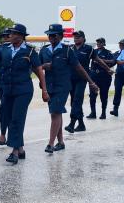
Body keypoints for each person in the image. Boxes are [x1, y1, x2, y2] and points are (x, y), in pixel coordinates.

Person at [0, 24, 48, 163]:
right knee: (9, 117)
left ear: (21, 36)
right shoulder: (4, 49)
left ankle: (14, 152)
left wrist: (44, 89)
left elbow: (39, 70)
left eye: (13, 33)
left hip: (23, 90)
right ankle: (21, 149)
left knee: (17, 118)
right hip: (8, 88)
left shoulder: (30, 52)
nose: (10, 35)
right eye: (10, 33)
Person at [41, 24, 97, 152]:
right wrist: (44, 68)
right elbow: (38, 67)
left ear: (60, 36)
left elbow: (79, 67)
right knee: (56, 113)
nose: (51, 37)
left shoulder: (67, 50)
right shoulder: (44, 50)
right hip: (49, 86)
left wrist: (91, 82)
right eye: (49, 35)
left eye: (54, 35)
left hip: (63, 86)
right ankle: (60, 142)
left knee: (55, 112)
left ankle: (50, 144)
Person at [66, 30, 108, 132]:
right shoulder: (70, 48)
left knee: (77, 99)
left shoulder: (89, 49)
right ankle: (81, 124)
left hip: (82, 78)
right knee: (74, 102)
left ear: (83, 38)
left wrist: (107, 69)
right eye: (74, 36)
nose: (76, 38)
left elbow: (98, 60)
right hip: (71, 78)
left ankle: (72, 123)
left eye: (78, 36)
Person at [88, 37, 115, 119]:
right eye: (98, 42)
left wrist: (101, 60)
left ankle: (103, 113)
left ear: (104, 43)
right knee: (92, 95)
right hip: (94, 76)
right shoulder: (94, 51)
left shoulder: (108, 53)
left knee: (103, 95)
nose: (98, 44)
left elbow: (113, 61)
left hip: (104, 77)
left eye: (100, 42)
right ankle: (93, 113)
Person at [109, 39, 124, 117]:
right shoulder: (117, 53)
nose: (121, 45)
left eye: (122, 44)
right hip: (119, 75)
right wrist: (106, 66)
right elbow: (112, 62)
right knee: (117, 92)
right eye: (120, 44)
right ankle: (115, 109)